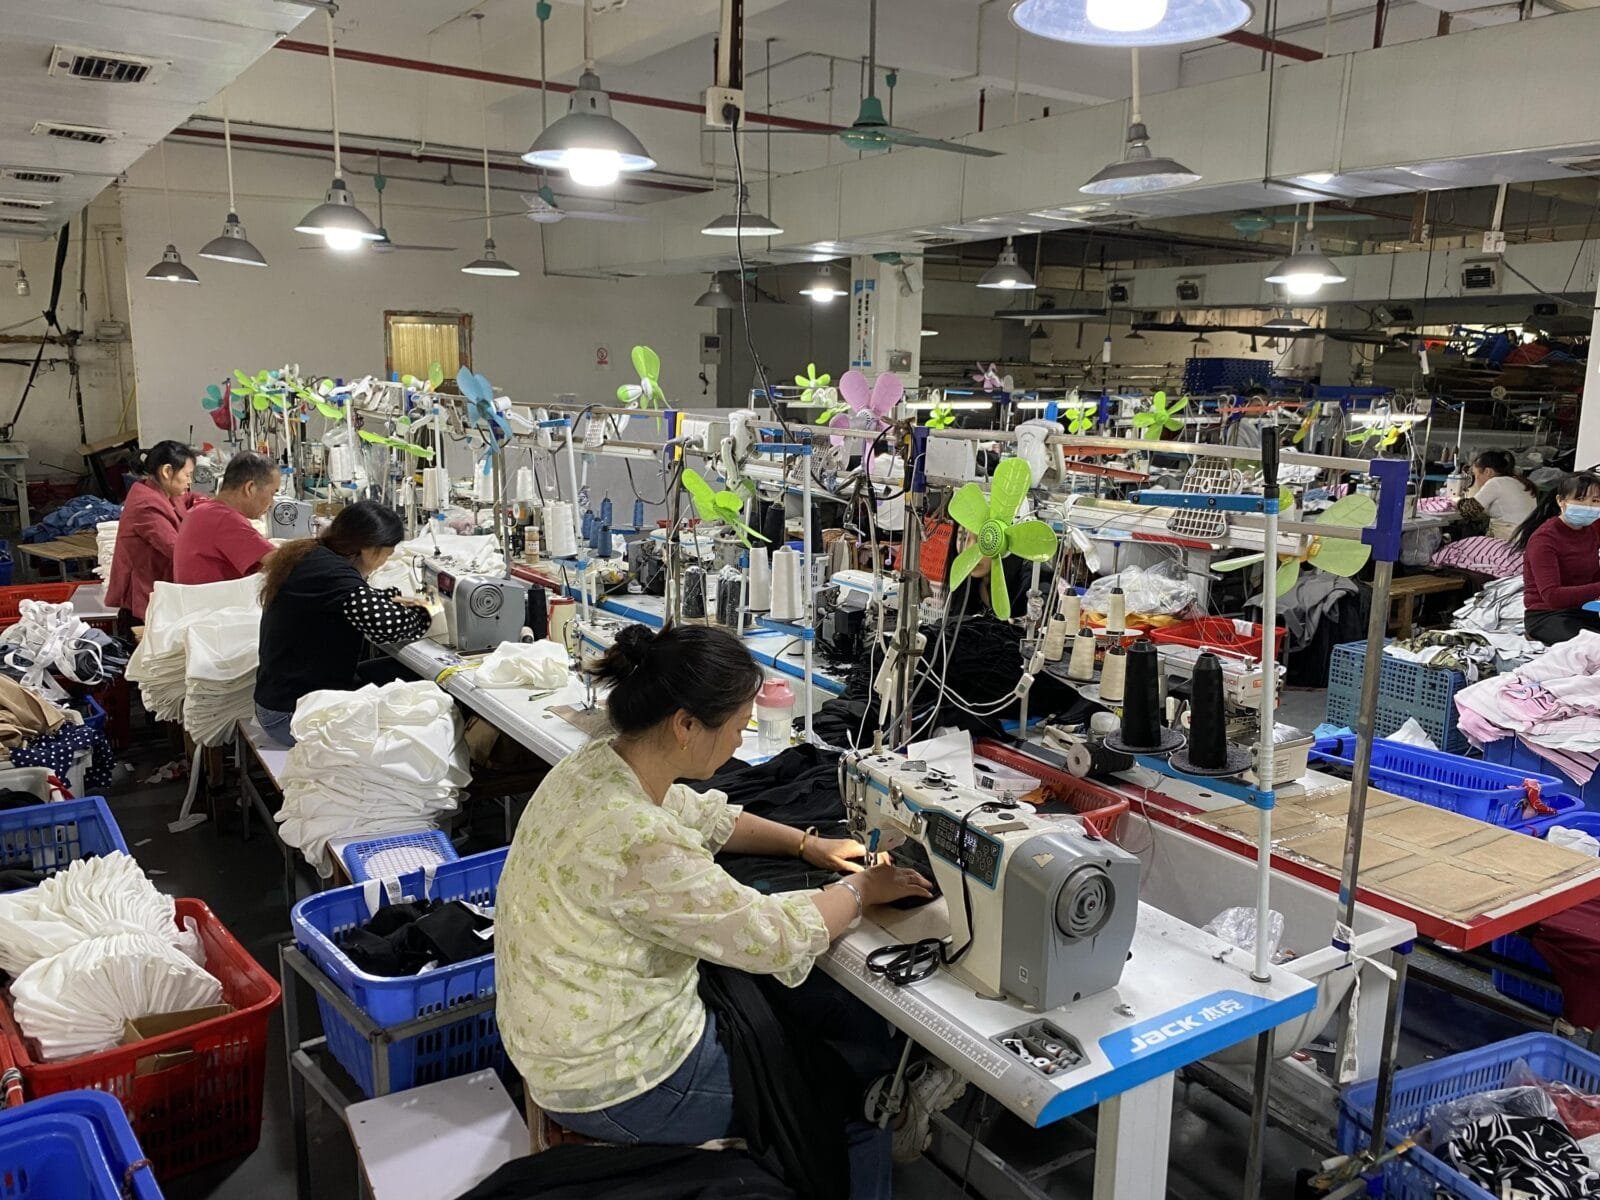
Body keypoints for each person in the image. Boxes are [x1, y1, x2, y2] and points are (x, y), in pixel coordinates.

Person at [496, 624, 953, 1197]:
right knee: (855, 1102)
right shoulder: (637, 837)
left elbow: (704, 814)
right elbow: (775, 937)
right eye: (738, 726)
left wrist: (808, 845)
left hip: (558, 1038)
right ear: (685, 725)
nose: (741, 740)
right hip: (620, 1082)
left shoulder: (596, 766)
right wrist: (863, 891)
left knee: (810, 1016)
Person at [253, 501, 431, 746]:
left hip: (286, 700)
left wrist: (391, 599)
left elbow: (358, 600)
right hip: (293, 716)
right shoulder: (333, 573)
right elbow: (388, 628)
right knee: (427, 699)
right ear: (370, 549)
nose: (385, 562)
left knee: (410, 673)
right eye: (387, 554)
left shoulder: (315, 555)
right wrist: (428, 611)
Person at [105, 440, 197, 632]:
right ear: (167, 472)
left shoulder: (162, 491)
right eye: (187, 475)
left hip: (156, 592)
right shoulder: (146, 505)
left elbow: (188, 498)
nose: (190, 482)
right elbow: (176, 550)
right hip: (142, 600)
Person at [1515, 472, 1600, 646]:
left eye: (1595, 501)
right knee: (1592, 648)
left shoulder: (1590, 531)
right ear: (1561, 501)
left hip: (1582, 611)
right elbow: (1552, 596)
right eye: (1580, 499)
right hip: (1547, 616)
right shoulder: (1544, 539)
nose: (1589, 506)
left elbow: (1591, 575)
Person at [172, 452, 278, 585]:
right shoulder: (224, 519)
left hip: (199, 602)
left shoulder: (202, 510)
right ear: (250, 488)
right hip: (214, 604)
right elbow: (279, 562)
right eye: (272, 493)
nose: (272, 503)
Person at [1465, 450, 1536, 541]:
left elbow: (1468, 510)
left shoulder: (1496, 482)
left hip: (1510, 541)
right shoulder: (1518, 482)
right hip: (1526, 539)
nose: (1476, 479)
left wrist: (1453, 502)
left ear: (1487, 471)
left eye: (1476, 475)